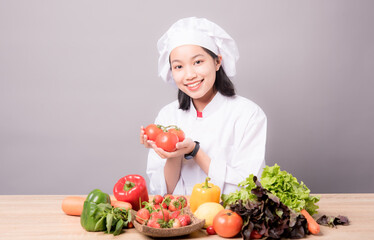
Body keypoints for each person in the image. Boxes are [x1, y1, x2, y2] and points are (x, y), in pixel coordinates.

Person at [140, 17, 267, 196]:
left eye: (198, 62)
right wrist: (173, 153)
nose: (189, 74)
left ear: (217, 62)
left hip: (227, 219)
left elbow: (248, 187)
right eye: (178, 66)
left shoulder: (249, 114)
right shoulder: (167, 116)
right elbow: (163, 192)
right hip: (182, 221)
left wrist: (195, 151)